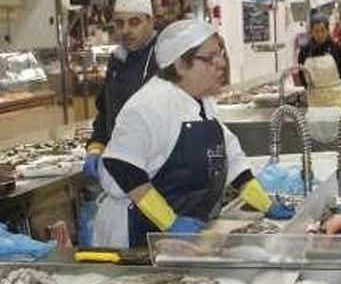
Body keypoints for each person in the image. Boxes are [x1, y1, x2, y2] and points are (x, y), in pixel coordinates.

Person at [93, 20, 292, 248]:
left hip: (179, 238)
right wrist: (169, 221)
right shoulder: (148, 105)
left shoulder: (203, 102)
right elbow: (123, 167)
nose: (221, 64)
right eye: (210, 58)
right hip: (136, 234)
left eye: (221, 54)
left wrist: (265, 204)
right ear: (179, 65)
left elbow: (231, 160)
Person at [83, 0, 159, 182]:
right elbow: (106, 111)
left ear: (151, 21)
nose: (125, 30)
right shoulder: (117, 60)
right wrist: (96, 146)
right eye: (119, 23)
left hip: (156, 167)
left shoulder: (165, 59)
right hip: (119, 163)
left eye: (134, 22)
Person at [296, 13, 341, 107]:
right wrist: (311, 90)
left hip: (337, 99)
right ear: (311, 32)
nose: (319, 34)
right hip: (315, 99)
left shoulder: (338, 49)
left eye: (322, 31)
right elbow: (302, 74)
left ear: (327, 31)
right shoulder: (305, 51)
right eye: (316, 31)